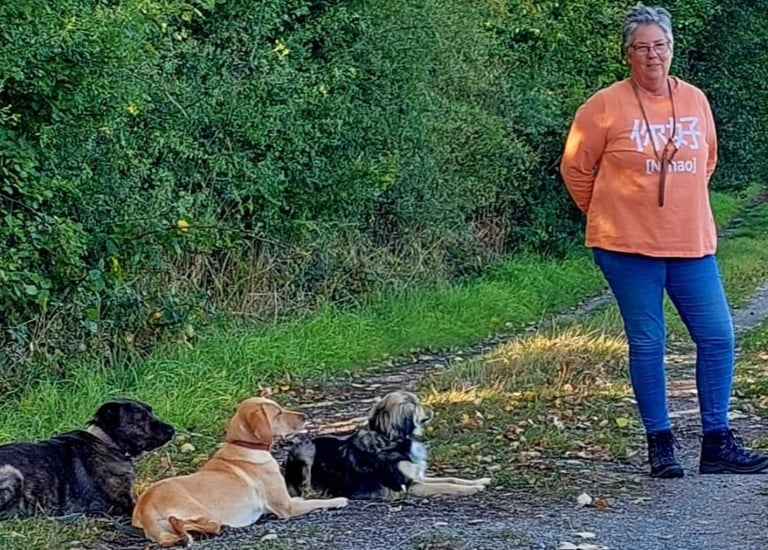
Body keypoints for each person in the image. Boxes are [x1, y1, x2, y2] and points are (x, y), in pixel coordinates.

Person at [559, 4, 768, 478]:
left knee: (718, 336)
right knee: (648, 342)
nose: (652, 55)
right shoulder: (604, 105)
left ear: (672, 48)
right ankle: (661, 445)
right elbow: (575, 167)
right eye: (642, 47)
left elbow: (707, 159)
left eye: (660, 45)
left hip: (691, 243)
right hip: (626, 246)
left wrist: (680, 199)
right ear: (627, 54)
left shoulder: (694, 99)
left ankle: (717, 443)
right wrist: (607, 210)